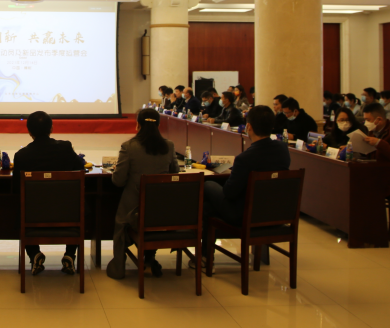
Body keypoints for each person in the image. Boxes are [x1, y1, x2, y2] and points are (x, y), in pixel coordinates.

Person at [195, 106, 290, 269]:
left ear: (249, 127)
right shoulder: (283, 150)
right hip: (275, 213)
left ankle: (205, 257)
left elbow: (230, 193)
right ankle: (204, 257)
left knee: (208, 186)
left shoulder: (245, 158)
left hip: (245, 215)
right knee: (209, 207)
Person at [106, 108, 179, 280]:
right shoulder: (169, 146)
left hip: (134, 212)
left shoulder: (129, 147)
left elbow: (118, 181)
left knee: (124, 216)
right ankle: (149, 258)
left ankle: (120, 264)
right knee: (152, 212)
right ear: (159, 125)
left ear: (137, 125)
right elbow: (174, 173)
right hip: (163, 212)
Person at [12, 111, 85, 276]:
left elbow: (16, 189)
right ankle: (70, 255)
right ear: (51, 128)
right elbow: (80, 171)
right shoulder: (66, 148)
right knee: (79, 206)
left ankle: (34, 254)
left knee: (21, 208)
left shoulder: (21, 156)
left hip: (33, 217)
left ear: (29, 131)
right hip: (67, 216)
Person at [361, 103, 390, 196]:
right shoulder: (373, 130)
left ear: (379, 119)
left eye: (368, 120)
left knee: (360, 187)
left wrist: (379, 143)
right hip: (377, 172)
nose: (366, 123)